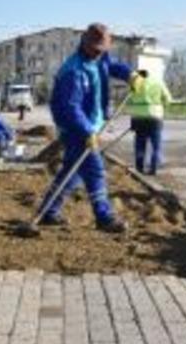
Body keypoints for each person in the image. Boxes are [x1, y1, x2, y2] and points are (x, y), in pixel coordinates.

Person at [36, 23, 144, 233]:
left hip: (90, 125)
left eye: (102, 49)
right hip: (74, 128)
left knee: (72, 171)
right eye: (95, 48)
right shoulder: (73, 71)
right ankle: (104, 217)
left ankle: (48, 212)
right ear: (84, 42)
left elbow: (111, 65)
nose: (98, 53)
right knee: (95, 170)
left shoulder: (99, 58)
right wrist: (86, 131)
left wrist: (130, 75)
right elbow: (70, 107)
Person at [128, 69, 172, 175]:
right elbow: (168, 99)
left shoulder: (134, 84)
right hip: (155, 116)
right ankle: (153, 169)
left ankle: (139, 168)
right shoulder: (158, 82)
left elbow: (129, 101)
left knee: (140, 144)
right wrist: (162, 107)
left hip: (138, 118)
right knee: (156, 145)